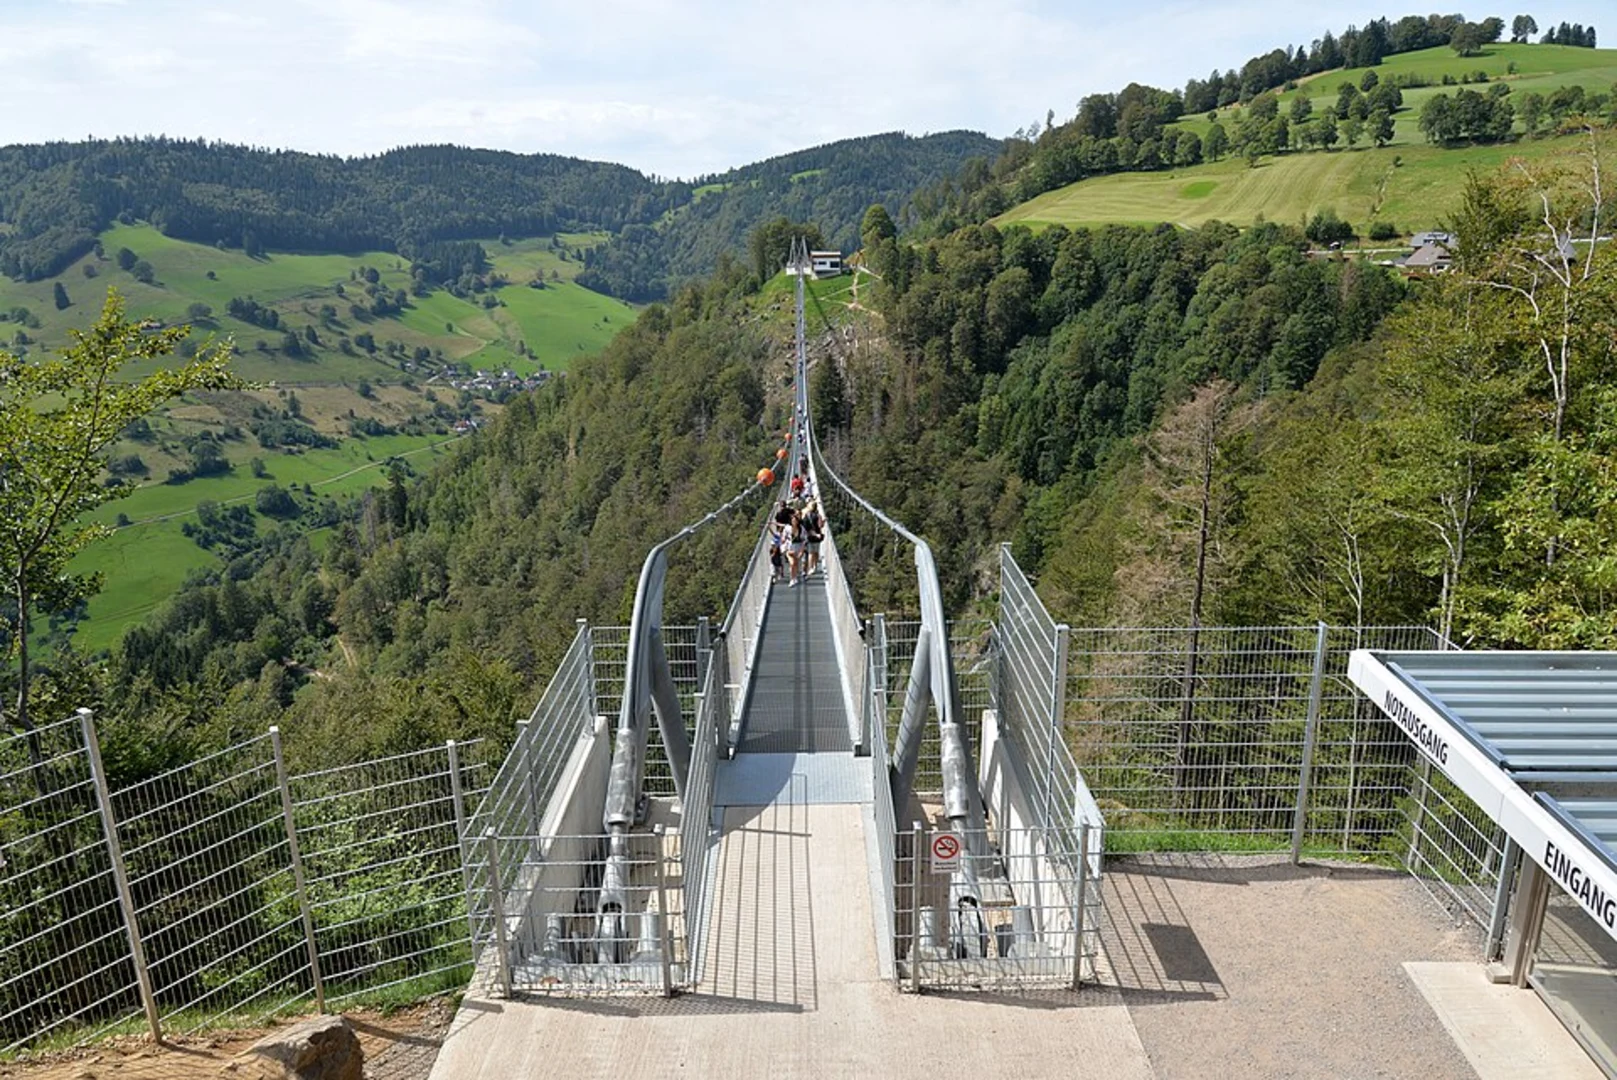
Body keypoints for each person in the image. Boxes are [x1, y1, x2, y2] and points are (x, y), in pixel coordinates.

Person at [801, 499, 824, 576]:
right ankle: (815, 566)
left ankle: (810, 568)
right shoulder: (818, 515)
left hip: (809, 536)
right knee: (816, 552)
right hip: (817, 537)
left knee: (810, 553)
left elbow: (804, 526)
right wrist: (823, 521)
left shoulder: (806, 515)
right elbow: (820, 526)